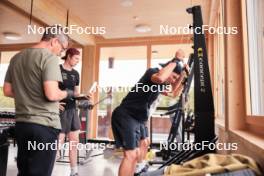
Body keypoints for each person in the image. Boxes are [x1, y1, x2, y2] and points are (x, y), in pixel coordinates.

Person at [3, 25, 75, 176]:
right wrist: (67, 93)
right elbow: (51, 94)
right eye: (62, 49)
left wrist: (28, 94)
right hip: (44, 126)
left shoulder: (17, 57)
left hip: (22, 125)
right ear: (54, 41)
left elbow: (7, 91)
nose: (60, 53)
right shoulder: (48, 58)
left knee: (25, 172)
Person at [111, 49, 188, 176]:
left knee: (136, 153)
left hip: (139, 119)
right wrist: (176, 60)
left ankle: (139, 168)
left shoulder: (162, 84)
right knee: (130, 155)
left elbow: (174, 93)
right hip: (126, 115)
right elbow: (160, 77)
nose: (174, 80)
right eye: (173, 76)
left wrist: (183, 76)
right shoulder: (153, 73)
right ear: (168, 69)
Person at [57, 48, 81, 176]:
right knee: (58, 142)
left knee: (74, 141)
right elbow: (50, 90)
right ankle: (46, 169)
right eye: (76, 58)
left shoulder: (76, 74)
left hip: (73, 110)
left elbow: (76, 93)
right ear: (69, 56)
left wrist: (83, 96)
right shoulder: (57, 69)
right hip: (61, 110)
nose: (78, 61)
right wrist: (54, 103)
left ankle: (74, 171)